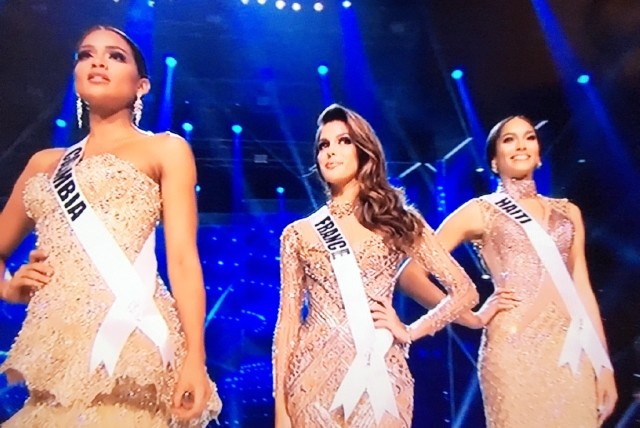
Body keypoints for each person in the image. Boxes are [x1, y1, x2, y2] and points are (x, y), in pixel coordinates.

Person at [0, 26, 222, 426]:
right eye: (86, 55)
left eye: (115, 56)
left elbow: (184, 260)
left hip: (133, 340)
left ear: (142, 85)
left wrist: (195, 356)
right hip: (55, 345)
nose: (97, 61)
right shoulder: (44, 163)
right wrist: (8, 287)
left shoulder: (165, 148)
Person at [383, 115, 618, 427]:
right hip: (512, 347)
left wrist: (604, 366)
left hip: (571, 350)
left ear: (537, 154)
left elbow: (582, 289)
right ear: (494, 161)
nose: (521, 144)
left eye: (529, 137)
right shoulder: (479, 211)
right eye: (509, 139)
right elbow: (411, 275)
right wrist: (470, 315)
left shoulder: (568, 212)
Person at [272, 103, 479, 427]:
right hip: (310, 380)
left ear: (364, 151)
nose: (331, 151)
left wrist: (410, 330)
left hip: (380, 373)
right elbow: (286, 326)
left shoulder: (399, 222)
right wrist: (281, 410)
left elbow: (464, 292)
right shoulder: (298, 234)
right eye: (323, 145)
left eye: (343, 141)